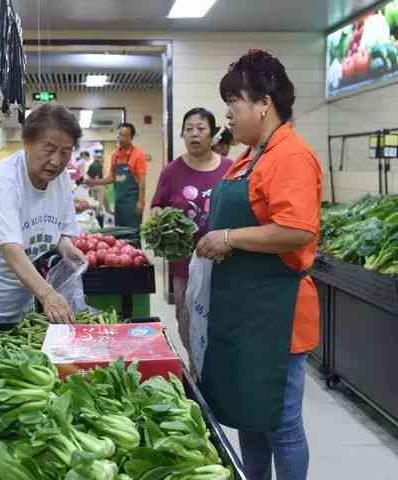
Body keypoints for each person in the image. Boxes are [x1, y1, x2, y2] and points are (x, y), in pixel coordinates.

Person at [196, 50, 321, 480]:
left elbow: (297, 229)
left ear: (264, 103)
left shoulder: (290, 156)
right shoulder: (251, 157)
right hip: (244, 311)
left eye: (235, 103)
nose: (228, 115)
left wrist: (229, 237)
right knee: (249, 416)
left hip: (277, 315)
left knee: (282, 426)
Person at [0, 104, 86, 328]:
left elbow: (59, 232)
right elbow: (11, 250)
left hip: (17, 287)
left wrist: (67, 249)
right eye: (49, 149)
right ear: (26, 143)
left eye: (65, 152)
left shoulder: (60, 179)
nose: (57, 161)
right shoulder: (4, 182)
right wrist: (48, 295)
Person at [150, 107, 232, 361]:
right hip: (184, 263)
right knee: (186, 317)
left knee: (221, 317)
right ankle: (195, 368)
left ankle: (218, 370)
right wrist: (161, 223)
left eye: (201, 128)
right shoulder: (172, 172)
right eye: (188, 129)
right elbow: (156, 206)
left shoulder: (230, 168)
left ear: (213, 133)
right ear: (182, 135)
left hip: (224, 261)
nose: (194, 134)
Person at [85, 122, 147, 228]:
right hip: (118, 203)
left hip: (132, 204)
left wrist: (141, 202)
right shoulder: (115, 156)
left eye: (124, 135)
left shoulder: (138, 155)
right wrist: (94, 182)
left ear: (131, 137)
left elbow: (142, 180)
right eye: (119, 134)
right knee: (120, 234)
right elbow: (112, 177)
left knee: (132, 234)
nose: (120, 138)